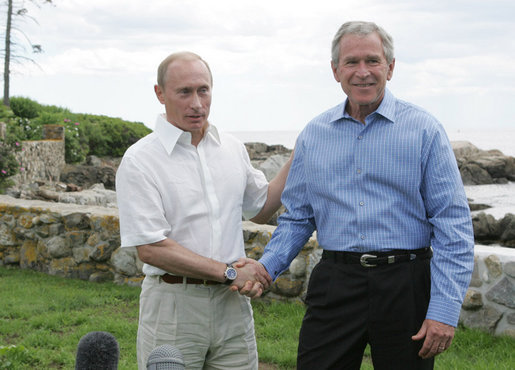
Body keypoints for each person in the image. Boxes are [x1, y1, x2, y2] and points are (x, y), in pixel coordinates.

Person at [253, 21, 474, 369]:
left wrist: (444, 310)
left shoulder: (424, 130)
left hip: (407, 285)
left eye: (372, 60)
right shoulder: (314, 134)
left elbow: (453, 225)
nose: (363, 72)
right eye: (352, 62)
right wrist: (266, 268)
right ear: (335, 70)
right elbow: (298, 217)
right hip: (335, 283)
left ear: (390, 66)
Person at [116, 51, 289, 370]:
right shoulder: (140, 160)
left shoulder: (232, 149)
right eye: (184, 92)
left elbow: (260, 208)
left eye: (203, 90)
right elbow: (152, 248)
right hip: (173, 308)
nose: (196, 103)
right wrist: (231, 272)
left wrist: (300, 154)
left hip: (232, 307)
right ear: (160, 93)